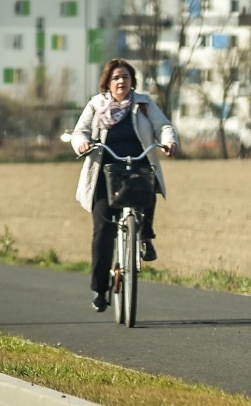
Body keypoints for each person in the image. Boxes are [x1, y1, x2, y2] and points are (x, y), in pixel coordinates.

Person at [70, 58, 179, 312]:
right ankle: (99, 289)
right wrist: (83, 144)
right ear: (108, 82)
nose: (121, 81)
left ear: (132, 82)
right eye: (116, 78)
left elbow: (163, 126)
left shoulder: (144, 104)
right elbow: (80, 132)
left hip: (137, 164)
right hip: (103, 171)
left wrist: (169, 141)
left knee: (148, 186)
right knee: (102, 231)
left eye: (126, 77)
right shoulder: (96, 105)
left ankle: (145, 236)